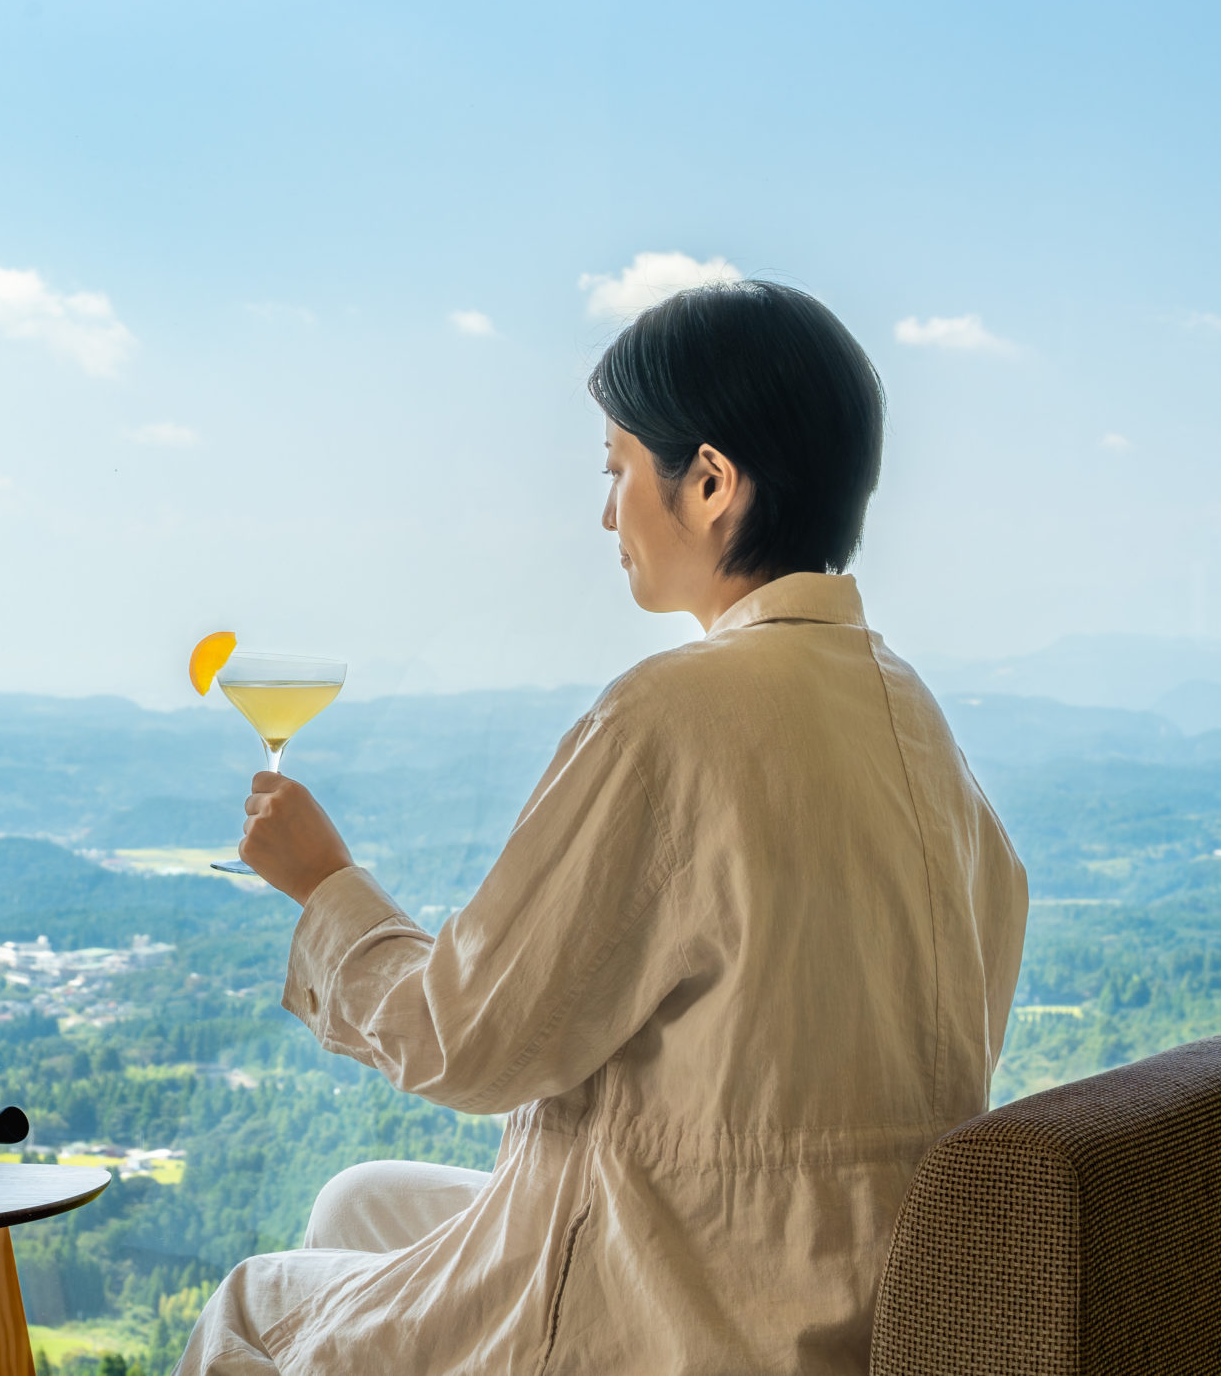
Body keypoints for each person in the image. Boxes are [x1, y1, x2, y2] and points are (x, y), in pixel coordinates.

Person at [178, 280, 1028, 1375]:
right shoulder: (911, 719)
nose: (604, 511)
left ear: (710, 483)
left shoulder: (670, 718)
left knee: (254, 1307)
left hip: (686, 1304)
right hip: (843, 1284)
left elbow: (466, 1043)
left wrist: (324, 884)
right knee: (360, 1202)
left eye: (619, 469)